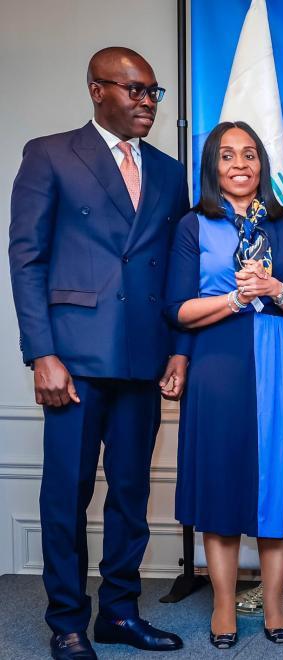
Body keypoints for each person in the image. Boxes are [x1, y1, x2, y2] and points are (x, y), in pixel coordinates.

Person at [8, 47, 190, 660]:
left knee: (132, 494)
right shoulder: (51, 153)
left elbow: (178, 274)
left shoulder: (169, 172)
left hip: (144, 357)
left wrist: (179, 349)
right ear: (96, 90)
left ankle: (117, 613)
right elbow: (26, 259)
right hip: (74, 362)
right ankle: (66, 622)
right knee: (67, 493)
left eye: (153, 93)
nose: (146, 102)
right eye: (134, 90)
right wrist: (42, 354)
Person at [164, 122, 283, 649]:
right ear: (213, 165)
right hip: (217, 368)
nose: (241, 164)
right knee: (221, 485)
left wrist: (276, 288)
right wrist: (234, 300)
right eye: (228, 155)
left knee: (275, 489)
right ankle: (223, 605)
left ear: (263, 164)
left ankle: (275, 602)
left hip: (278, 362)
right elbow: (180, 310)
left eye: (251, 154)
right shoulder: (194, 226)